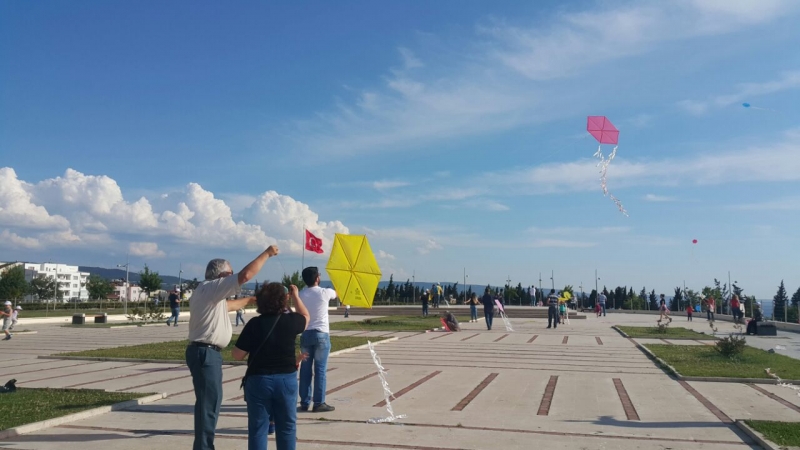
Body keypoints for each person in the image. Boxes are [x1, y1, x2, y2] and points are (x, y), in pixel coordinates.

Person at [186, 245, 279, 450]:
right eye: (229, 274)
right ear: (222, 276)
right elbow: (245, 275)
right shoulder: (212, 288)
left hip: (206, 353)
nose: (232, 278)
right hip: (205, 352)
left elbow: (232, 306)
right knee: (208, 405)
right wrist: (267, 253)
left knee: (209, 403)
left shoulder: (209, 295)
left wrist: (254, 300)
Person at [232, 282, 310, 450]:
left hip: (259, 379)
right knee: (287, 427)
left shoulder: (254, 324)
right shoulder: (291, 321)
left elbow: (237, 354)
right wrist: (296, 296)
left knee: (258, 429)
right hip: (286, 379)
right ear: (284, 300)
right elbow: (306, 316)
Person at [298, 266, 338, 413]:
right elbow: (336, 294)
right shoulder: (324, 292)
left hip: (306, 333)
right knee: (320, 370)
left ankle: (304, 401)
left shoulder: (301, 294)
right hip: (321, 334)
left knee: (305, 370)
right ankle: (319, 402)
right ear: (317, 278)